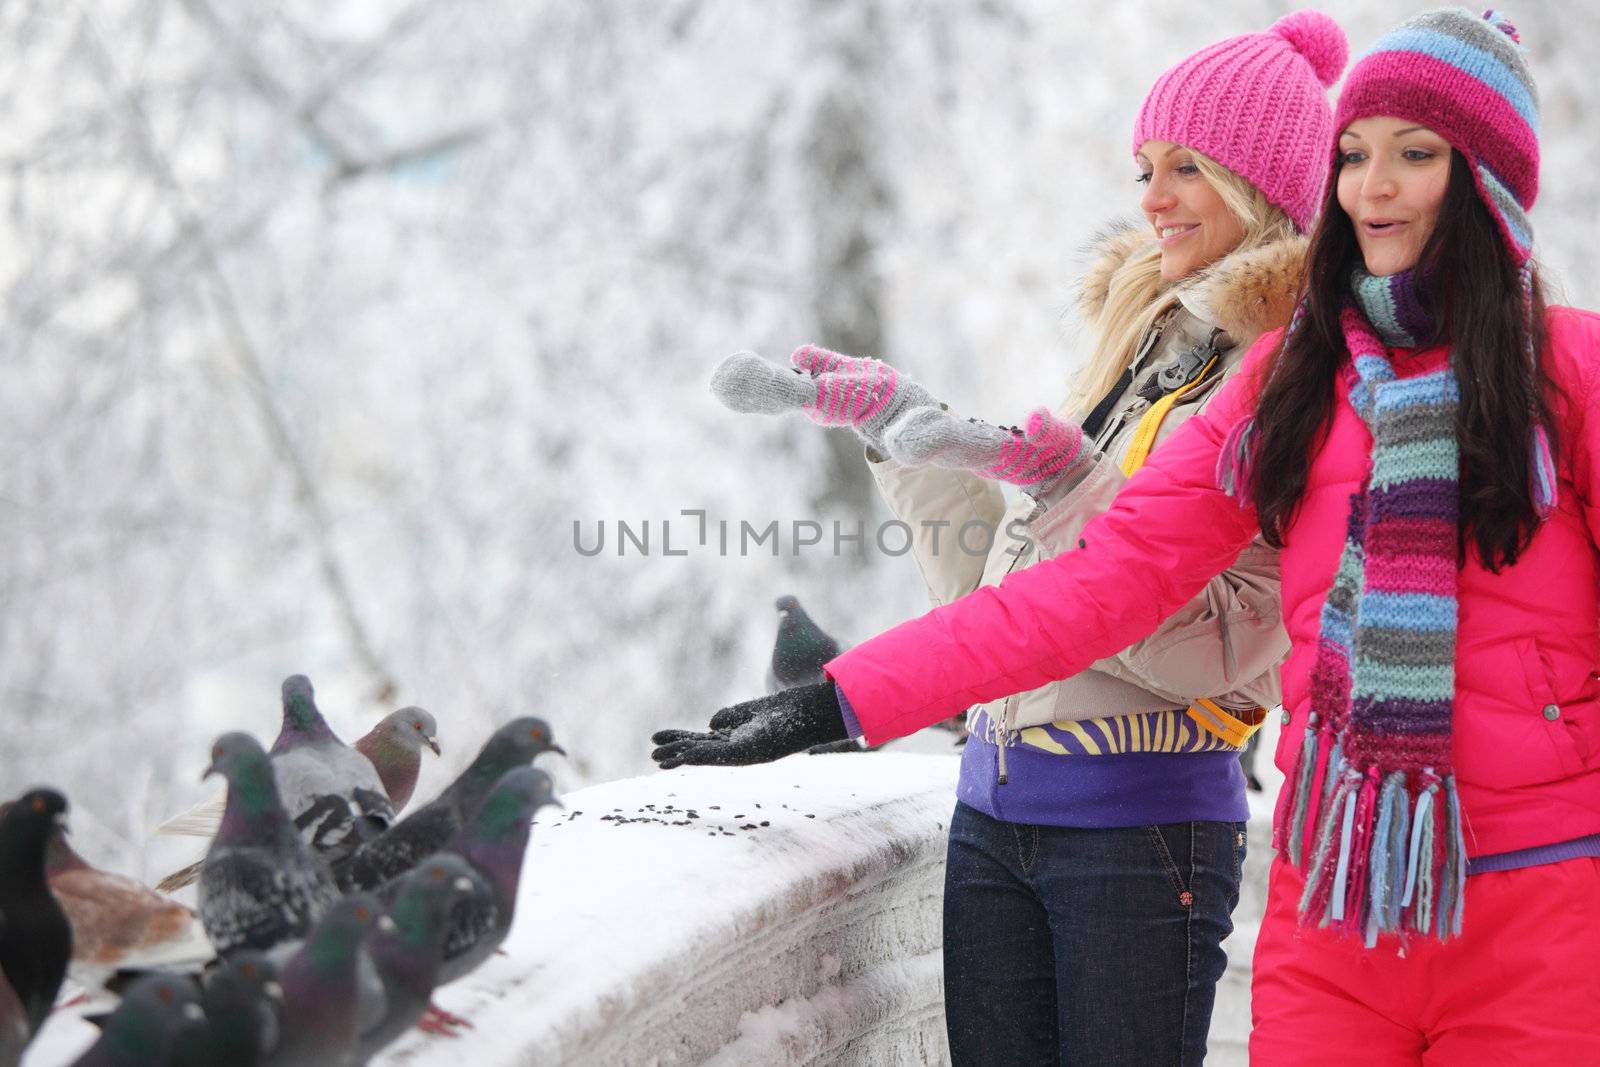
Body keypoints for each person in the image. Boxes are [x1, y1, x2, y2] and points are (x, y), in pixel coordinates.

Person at [659, 8, 1600, 1062]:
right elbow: (1098, 581)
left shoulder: (1571, 372)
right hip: (1334, 910)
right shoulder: (1287, 381)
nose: (1370, 187)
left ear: (1488, 180)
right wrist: (845, 697)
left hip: (1541, 901)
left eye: (1414, 155)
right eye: (1352, 154)